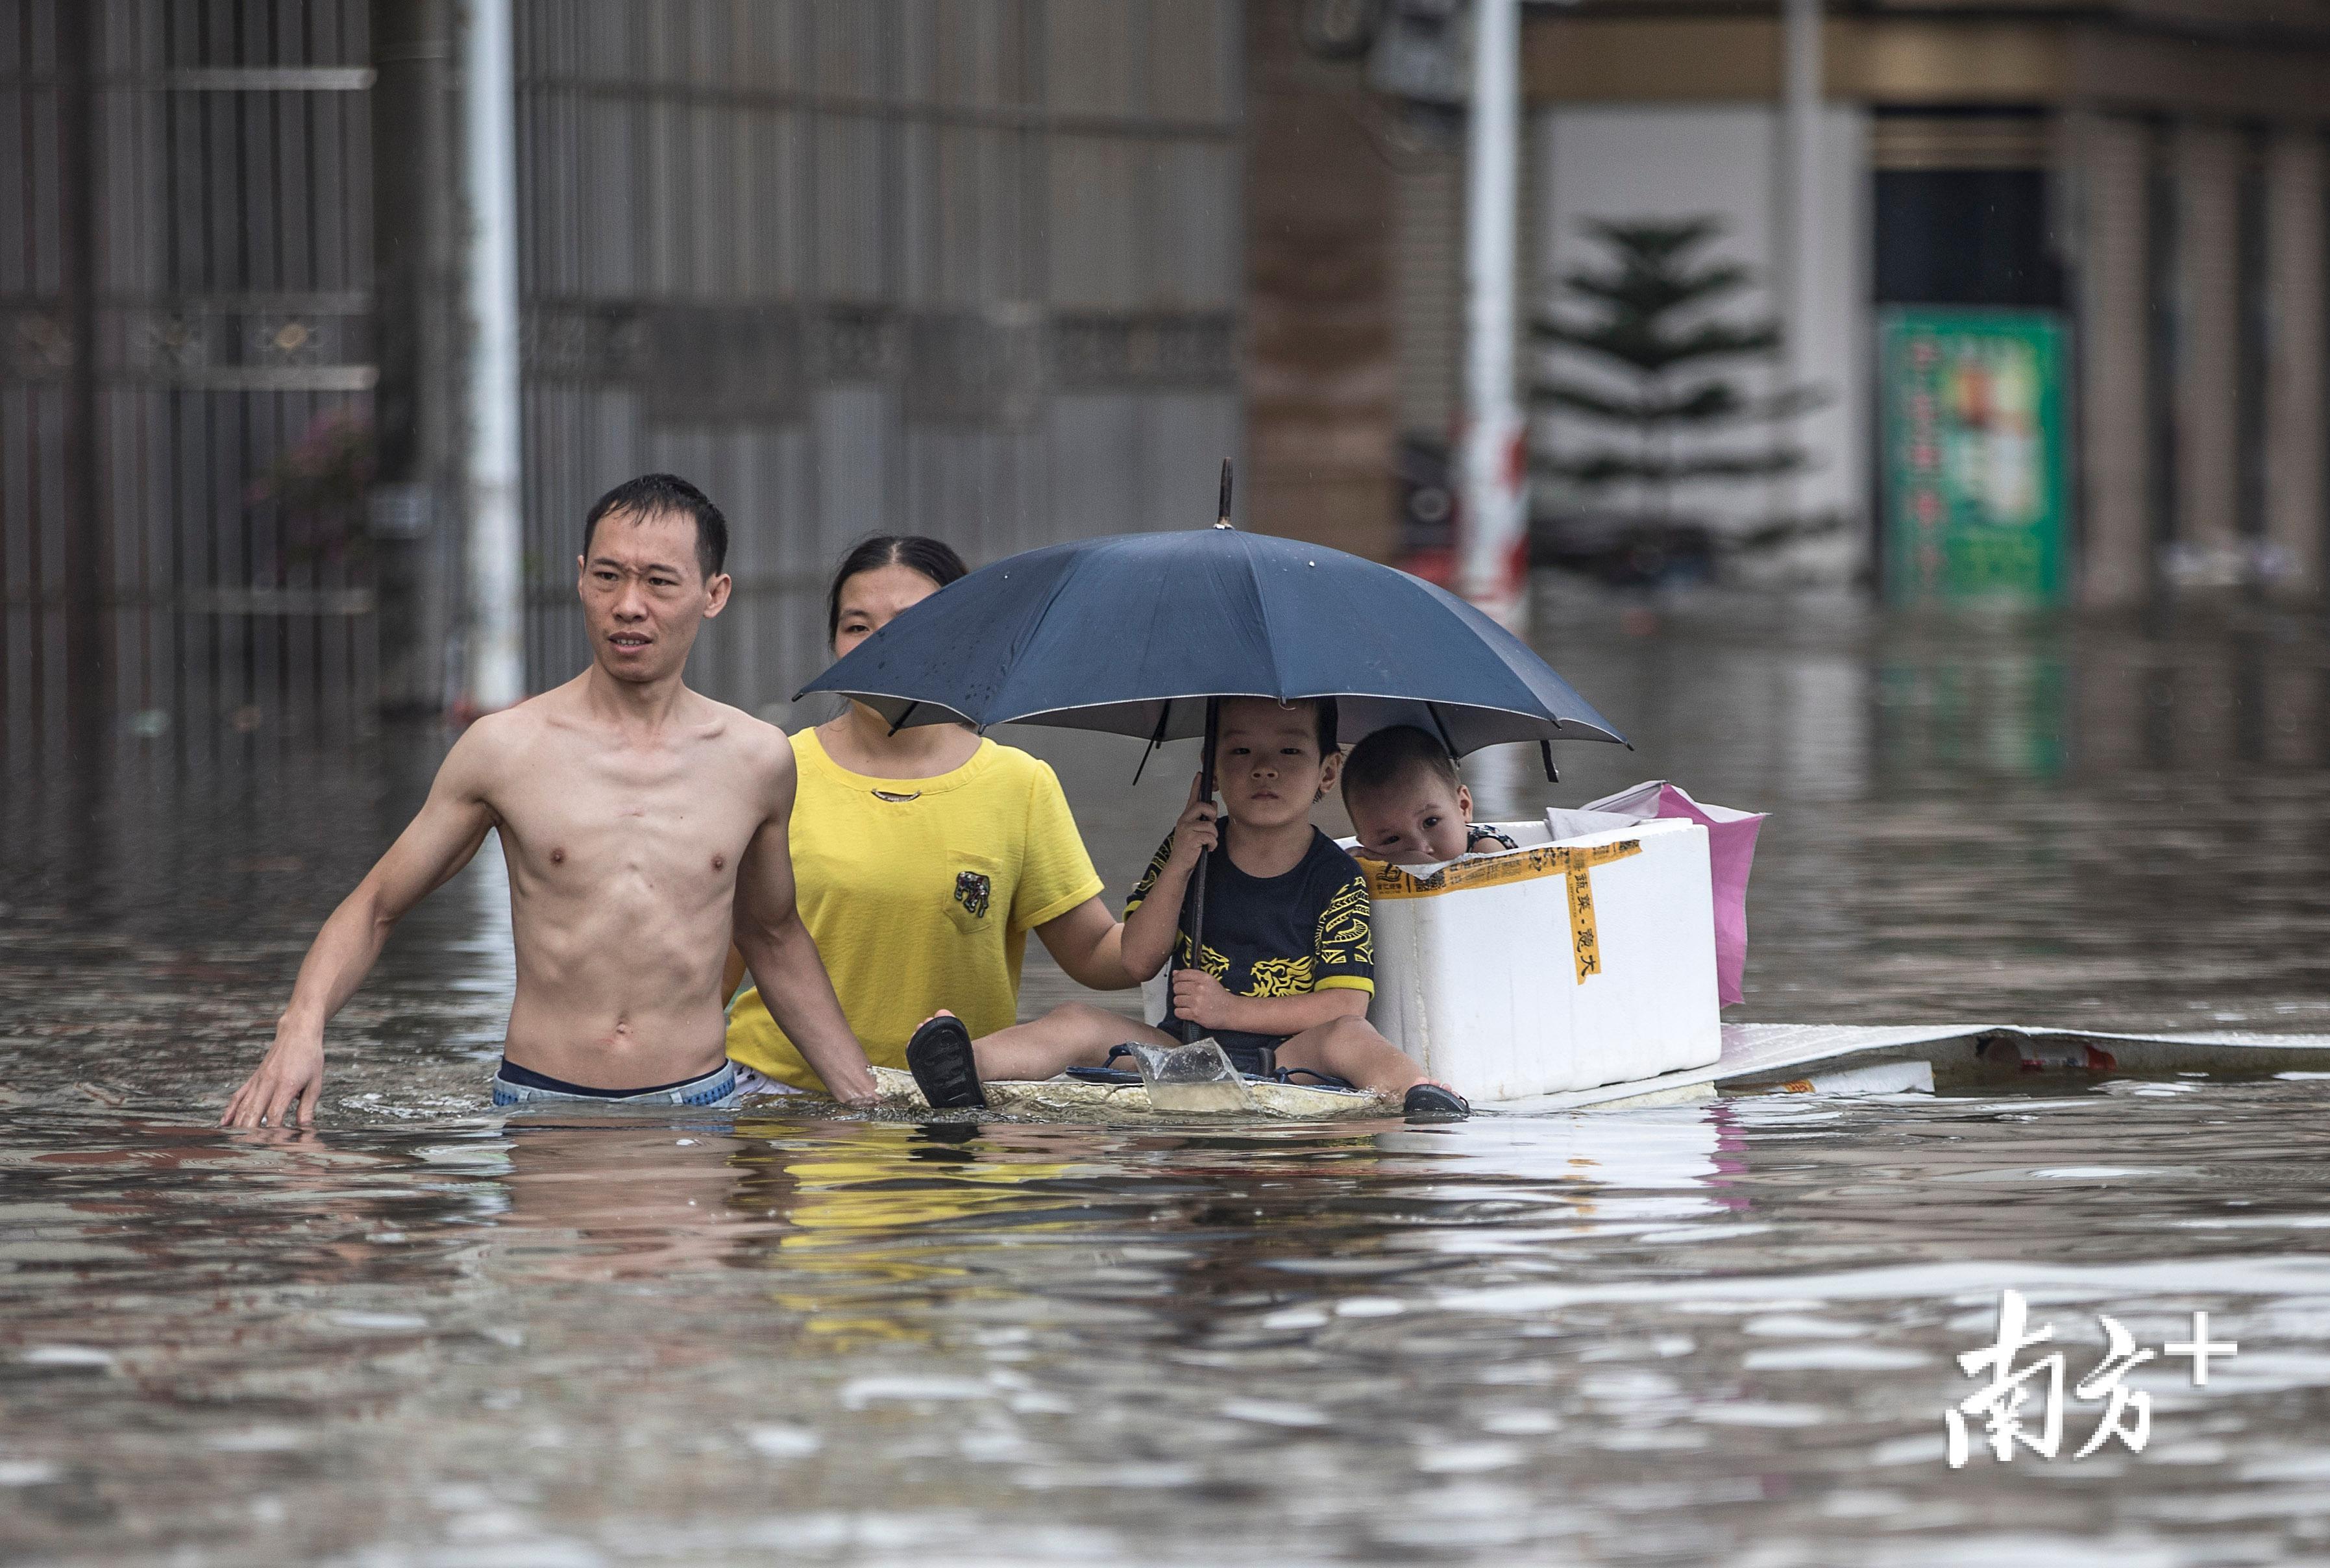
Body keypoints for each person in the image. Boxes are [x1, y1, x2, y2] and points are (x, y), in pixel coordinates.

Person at [220, 474, 878, 1128]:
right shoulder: (505, 748)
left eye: (658, 581)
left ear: (713, 593)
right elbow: (376, 906)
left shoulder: (756, 758)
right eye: (608, 577)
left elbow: (770, 933)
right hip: (541, 1104)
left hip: (695, 1106)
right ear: (580, 577)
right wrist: (299, 1030)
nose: (628, 605)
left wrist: (867, 1100)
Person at [901, 696, 1469, 1119]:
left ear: (1327, 771)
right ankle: (959, 1064)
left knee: (1351, 1037)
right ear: (1213, 770)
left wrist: (1231, 1012)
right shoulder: (1189, 853)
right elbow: (1137, 959)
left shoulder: (1336, 877)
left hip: (1293, 1056)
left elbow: (1346, 1001)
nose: (1263, 767)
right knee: (1074, 1020)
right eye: (1241, 750)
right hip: (1185, 1054)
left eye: (1289, 751)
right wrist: (1178, 864)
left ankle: (1418, 1093)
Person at [720, 537, 1133, 1094]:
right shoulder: (776, 771)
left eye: (908, 625)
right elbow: (717, 967)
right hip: (780, 1103)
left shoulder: (1018, 783)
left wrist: (1190, 877)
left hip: (949, 1103)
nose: (881, 647)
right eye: (857, 627)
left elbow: (1095, 955)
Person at [1340, 724, 1519, 868]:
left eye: (1430, 822)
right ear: (1366, 844)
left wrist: (1416, 864)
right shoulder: (1373, 864)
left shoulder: (1487, 849)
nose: (1421, 849)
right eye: (1391, 840)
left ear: (1463, 806)